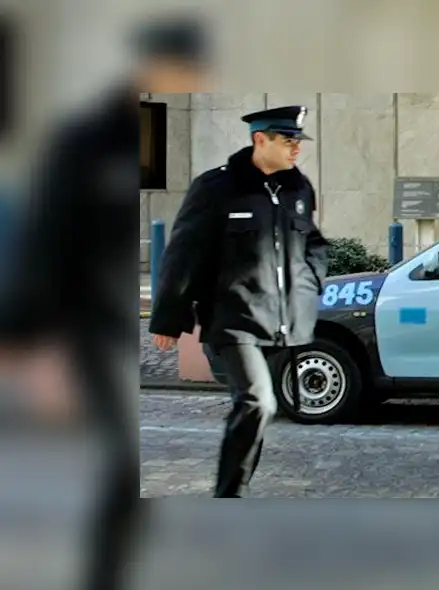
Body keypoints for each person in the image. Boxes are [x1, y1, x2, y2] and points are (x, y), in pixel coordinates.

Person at [0, 15, 211, 589]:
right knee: (128, 461)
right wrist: (30, 343)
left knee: (130, 469)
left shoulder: (148, 132)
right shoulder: (85, 140)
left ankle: (109, 569)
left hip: (122, 318)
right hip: (87, 327)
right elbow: (49, 241)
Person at [149, 105, 329, 498]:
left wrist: (312, 279)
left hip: (281, 318)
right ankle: (229, 496)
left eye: (298, 141)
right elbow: (183, 254)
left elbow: (312, 242)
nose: (296, 149)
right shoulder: (217, 187)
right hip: (233, 318)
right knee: (258, 401)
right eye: (287, 140)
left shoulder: (298, 189)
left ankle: (236, 488)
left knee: (258, 409)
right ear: (259, 139)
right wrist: (168, 319)